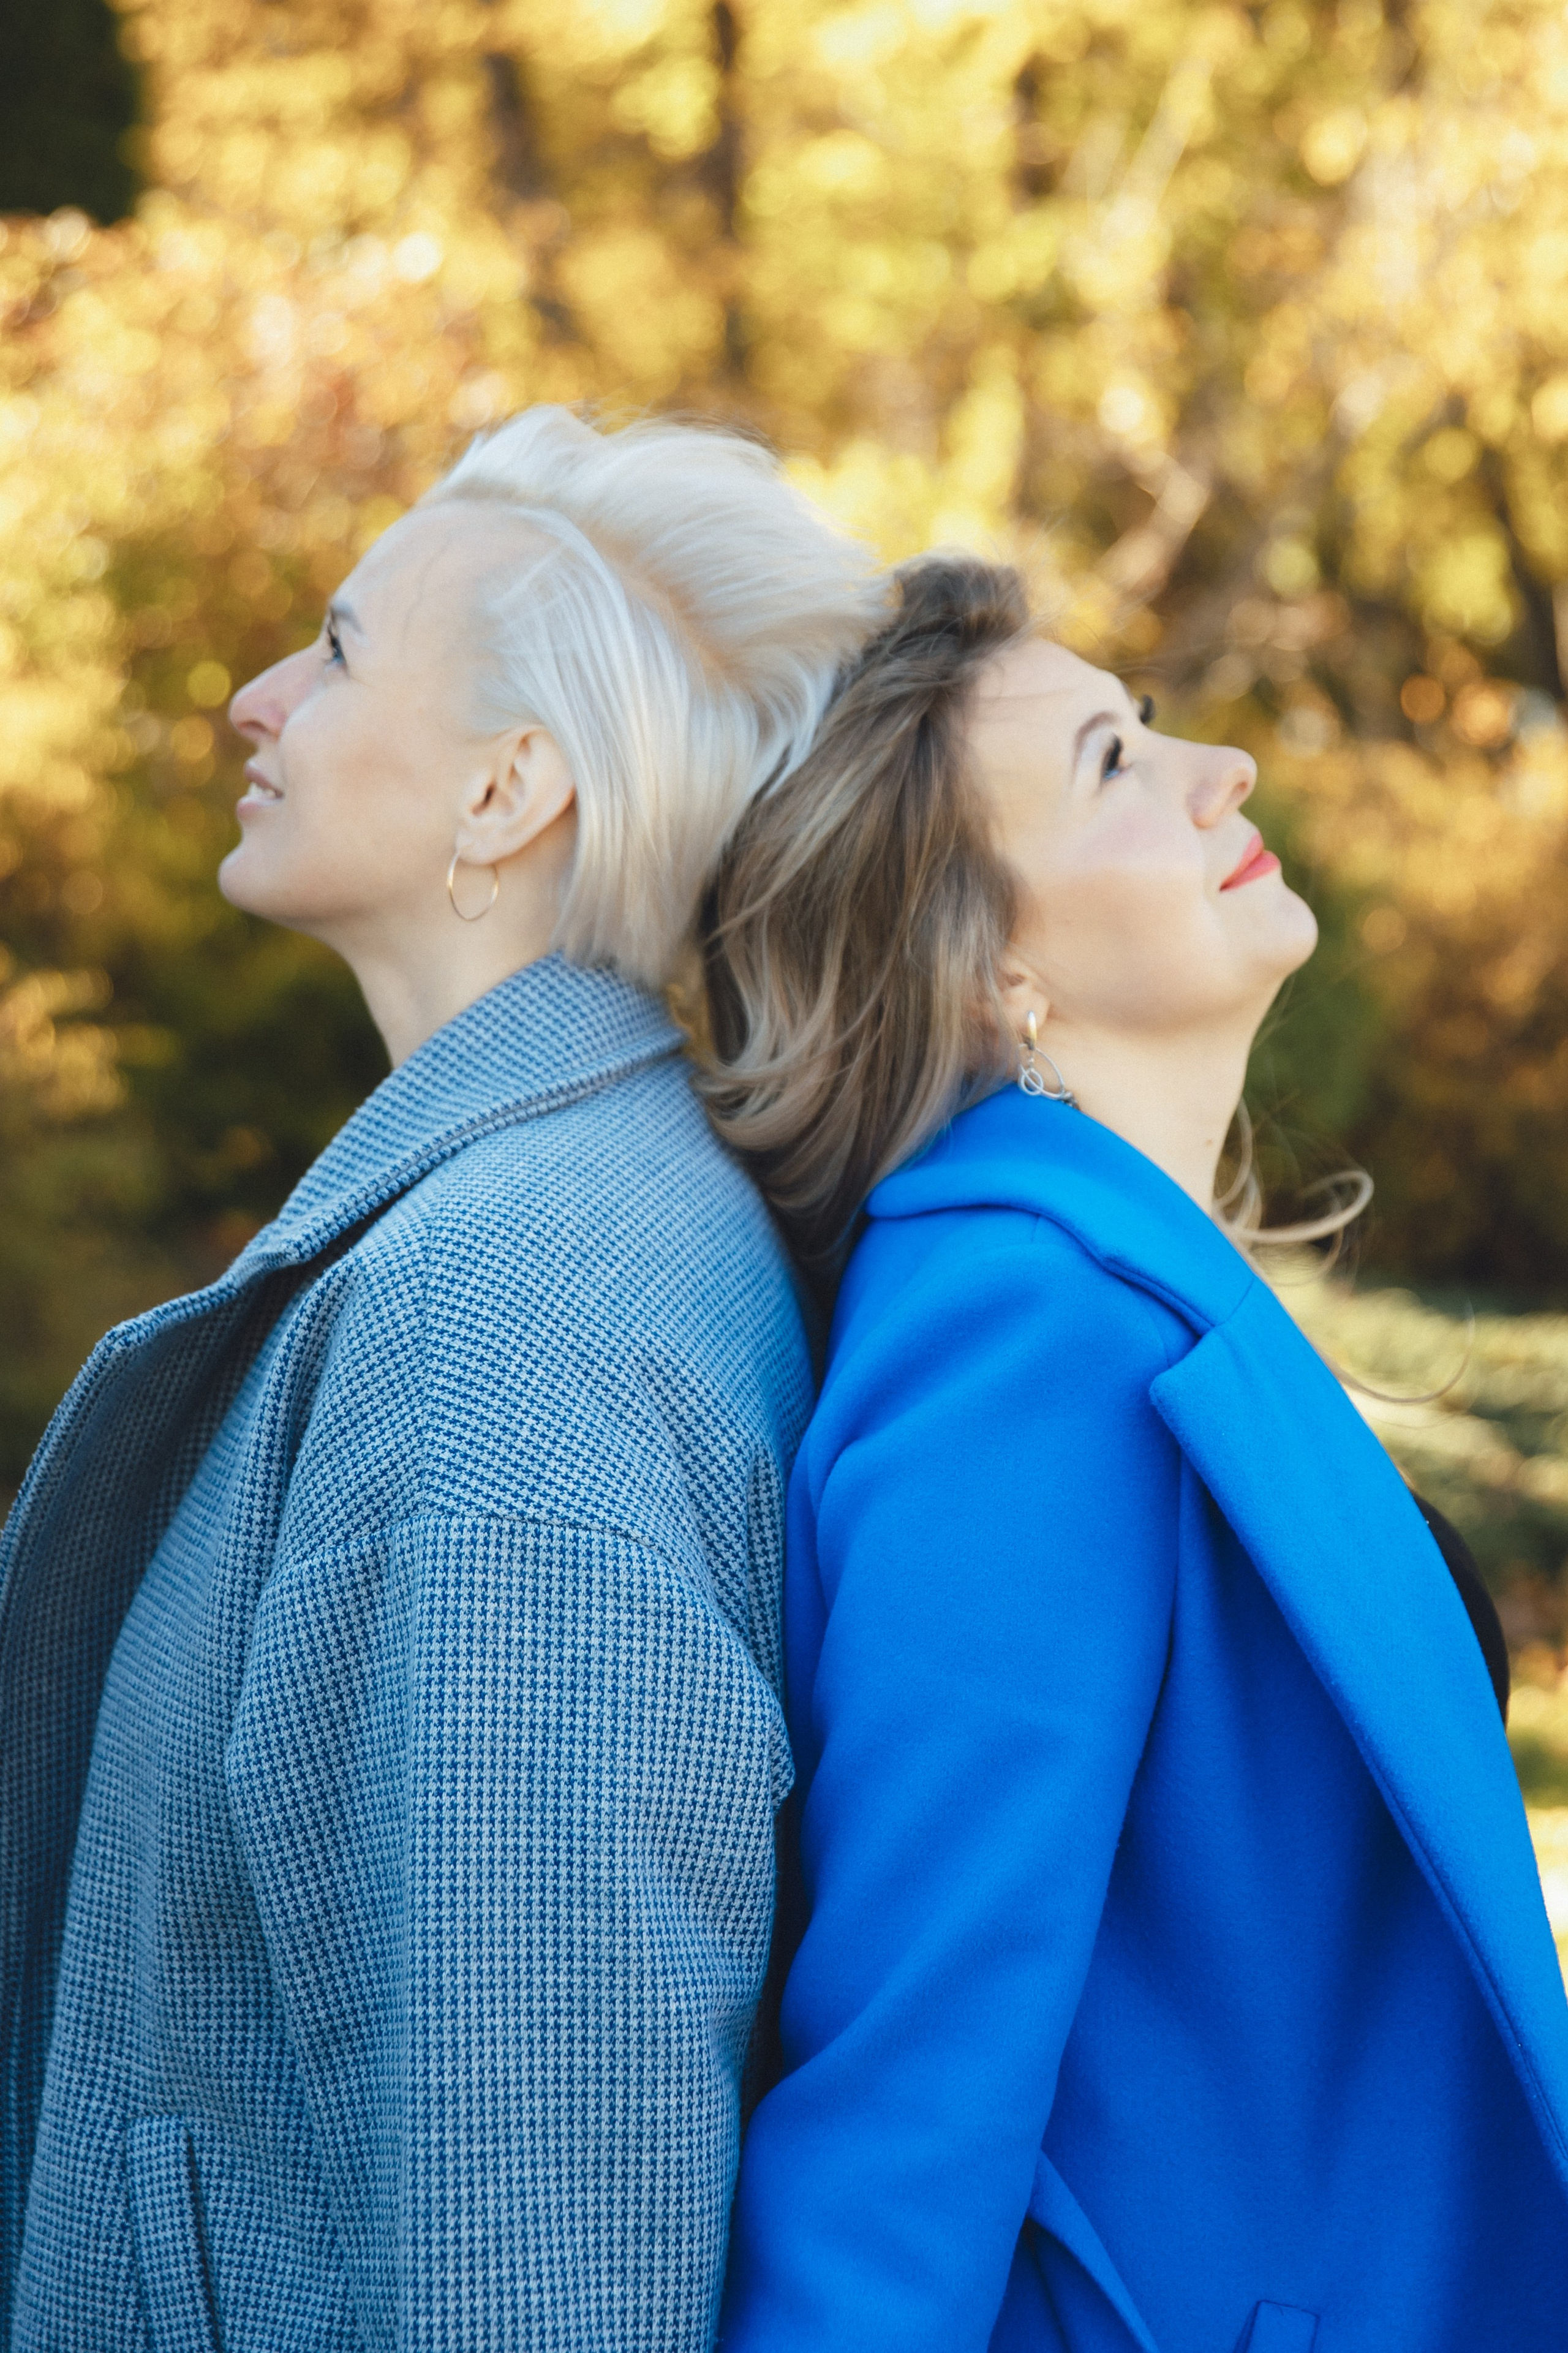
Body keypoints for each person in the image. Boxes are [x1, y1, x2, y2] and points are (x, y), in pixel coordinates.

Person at [0, 406, 883, 2352]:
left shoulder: (508, 1316)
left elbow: (544, 2230)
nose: (250, 699)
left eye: (327, 651)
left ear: (509, 791)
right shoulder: (529, 1228)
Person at [699, 556, 1568, 2352]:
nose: (1220, 766)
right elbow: (917, 2075)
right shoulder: (1017, 1327)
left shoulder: (1116, 1278)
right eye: (1112, 760)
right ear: (982, 961)